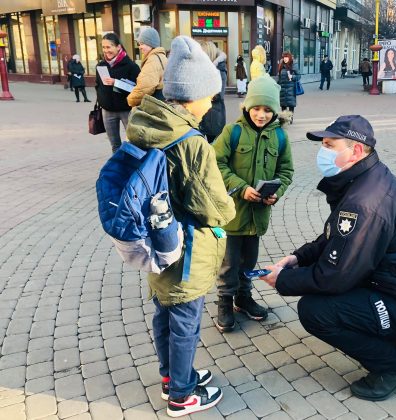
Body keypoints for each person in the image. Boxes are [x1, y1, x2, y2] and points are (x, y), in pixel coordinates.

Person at [260, 115, 396, 402]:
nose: (322, 152)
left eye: (329, 145)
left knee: (316, 311)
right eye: (322, 144)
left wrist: (284, 280)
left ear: (357, 151)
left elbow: (335, 277)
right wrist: (297, 259)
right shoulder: (364, 180)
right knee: (335, 292)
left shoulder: (366, 201)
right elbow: (334, 238)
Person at [125, 35, 236, 417]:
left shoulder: (146, 124)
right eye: (210, 96)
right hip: (186, 247)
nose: (211, 104)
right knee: (186, 321)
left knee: (163, 312)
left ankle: (172, 376)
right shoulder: (191, 142)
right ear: (194, 95)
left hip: (155, 241)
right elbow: (213, 207)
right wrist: (230, 210)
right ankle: (183, 396)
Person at [212, 76, 294, 332]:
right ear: (247, 107)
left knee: (249, 262)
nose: (261, 115)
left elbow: (286, 170)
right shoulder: (232, 132)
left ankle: (243, 298)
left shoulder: (279, 137)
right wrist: (240, 187)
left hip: (258, 216)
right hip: (231, 215)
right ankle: (224, 301)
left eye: (268, 110)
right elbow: (216, 164)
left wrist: (276, 192)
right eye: (257, 108)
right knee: (229, 262)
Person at [96, 33, 140, 153]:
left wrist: (116, 83)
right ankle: (118, 169)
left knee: (133, 141)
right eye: (104, 47)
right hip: (107, 111)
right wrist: (102, 100)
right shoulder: (101, 65)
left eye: (109, 47)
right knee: (115, 145)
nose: (106, 50)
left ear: (118, 47)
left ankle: (133, 167)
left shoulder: (131, 66)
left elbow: (138, 89)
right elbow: (98, 85)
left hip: (126, 110)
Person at [127, 27, 168, 107]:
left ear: (151, 44)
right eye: (139, 44)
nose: (139, 47)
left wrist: (131, 100)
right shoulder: (161, 56)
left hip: (155, 106)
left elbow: (144, 88)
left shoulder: (153, 60)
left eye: (142, 44)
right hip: (163, 103)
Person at [199, 41, 227, 143]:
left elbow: (218, 95)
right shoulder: (202, 68)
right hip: (201, 116)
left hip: (214, 117)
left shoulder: (219, 70)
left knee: (214, 150)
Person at [277, 51, 300, 123]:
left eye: (286, 57)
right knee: (283, 105)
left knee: (291, 105)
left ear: (289, 57)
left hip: (291, 88)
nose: (285, 59)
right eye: (284, 57)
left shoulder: (294, 64)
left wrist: (292, 76)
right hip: (282, 88)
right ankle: (284, 119)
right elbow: (279, 76)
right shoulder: (281, 65)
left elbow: (299, 76)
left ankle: (290, 119)